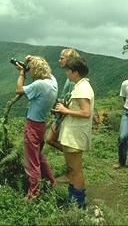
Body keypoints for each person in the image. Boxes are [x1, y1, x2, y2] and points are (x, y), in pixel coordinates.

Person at [51, 56, 94, 208]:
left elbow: (86, 112)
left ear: (75, 72)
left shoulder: (82, 89)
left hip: (75, 135)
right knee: (73, 169)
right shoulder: (81, 86)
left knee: (75, 170)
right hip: (74, 134)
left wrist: (64, 110)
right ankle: (73, 199)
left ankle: (78, 202)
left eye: (68, 71)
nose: (66, 73)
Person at [15, 55, 58, 199]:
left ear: (36, 70)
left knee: (32, 162)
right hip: (42, 125)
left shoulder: (39, 85)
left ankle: (33, 194)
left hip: (32, 126)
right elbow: (45, 70)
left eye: (30, 69)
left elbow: (19, 89)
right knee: (39, 157)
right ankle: (52, 182)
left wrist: (21, 72)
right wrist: (33, 59)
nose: (29, 71)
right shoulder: (53, 81)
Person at [46, 48, 80, 183]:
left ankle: (73, 166)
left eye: (62, 58)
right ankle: (73, 163)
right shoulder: (69, 77)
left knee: (51, 140)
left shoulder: (72, 79)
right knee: (52, 140)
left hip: (64, 115)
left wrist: (62, 112)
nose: (59, 60)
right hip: (61, 113)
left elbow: (72, 100)